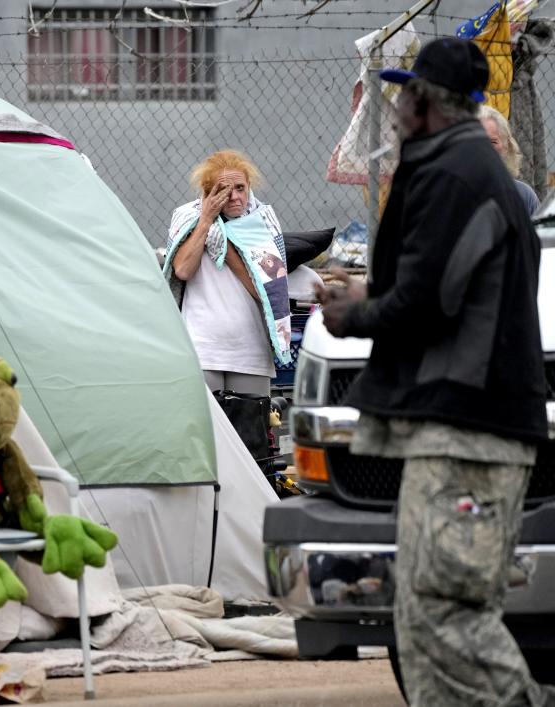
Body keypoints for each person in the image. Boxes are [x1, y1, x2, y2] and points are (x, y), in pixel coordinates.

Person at [317, 37, 550, 706]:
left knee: (448, 611)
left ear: (430, 103)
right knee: (421, 614)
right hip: (458, 434)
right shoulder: (464, 170)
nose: (395, 108)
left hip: (469, 436)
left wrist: (354, 311)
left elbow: (426, 300)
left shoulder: (457, 174)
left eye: (406, 94)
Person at [164, 150, 282, 396]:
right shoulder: (188, 217)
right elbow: (183, 270)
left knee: (250, 430)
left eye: (241, 188)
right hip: (202, 348)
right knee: (205, 432)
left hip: (251, 350)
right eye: (224, 190)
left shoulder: (262, 220)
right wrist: (207, 220)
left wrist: (226, 246)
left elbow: (268, 291)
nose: (235, 197)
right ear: (207, 193)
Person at [480, 103, 540, 216]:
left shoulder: (524, 196)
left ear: (506, 146)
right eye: (478, 140)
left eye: (493, 142)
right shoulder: (451, 192)